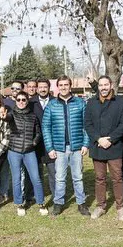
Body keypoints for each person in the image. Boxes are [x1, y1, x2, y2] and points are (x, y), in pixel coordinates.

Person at [42, 75, 90, 216]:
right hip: (59, 148)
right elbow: (46, 127)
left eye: (66, 85)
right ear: (58, 87)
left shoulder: (80, 103)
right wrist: (50, 148)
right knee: (60, 177)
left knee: (78, 177)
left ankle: (81, 203)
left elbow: (86, 125)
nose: (63, 87)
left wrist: (86, 144)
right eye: (61, 85)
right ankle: (58, 203)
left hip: (76, 147)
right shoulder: (52, 105)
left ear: (70, 86)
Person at [84, 75, 123, 220]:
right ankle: (100, 205)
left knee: (117, 178)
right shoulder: (91, 102)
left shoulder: (121, 102)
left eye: (106, 85)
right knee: (99, 178)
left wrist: (111, 139)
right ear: (98, 87)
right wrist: (98, 138)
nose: (103, 88)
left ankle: (120, 207)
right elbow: (88, 124)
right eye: (101, 85)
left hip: (114, 146)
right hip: (98, 146)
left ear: (111, 86)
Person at [6, 91, 48, 216]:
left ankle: (41, 202)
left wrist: (34, 143)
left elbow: (38, 133)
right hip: (14, 151)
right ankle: (19, 203)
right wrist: (4, 116)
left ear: (27, 101)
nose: (21, 102)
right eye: (18, 100)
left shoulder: (33, 116)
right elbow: (7, 118)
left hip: (29, 152)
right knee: (17, 178)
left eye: (23, 100)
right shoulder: (12, 114)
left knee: (36, 178)